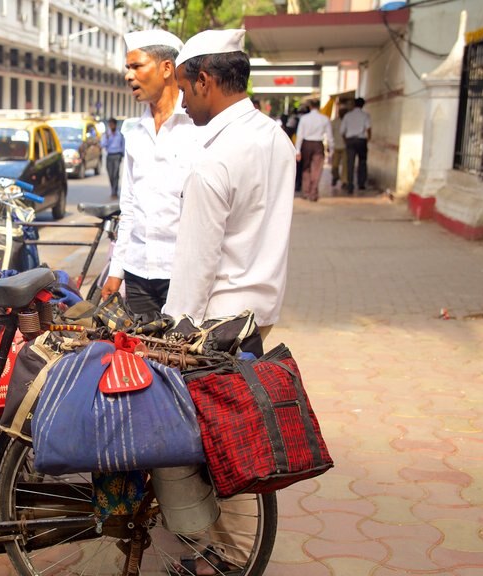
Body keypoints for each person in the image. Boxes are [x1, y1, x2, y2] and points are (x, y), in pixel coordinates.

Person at [165, 29, 296, 573]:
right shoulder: (275, 138)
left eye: (184, 89)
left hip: (212, 327)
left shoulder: (214, 159)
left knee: (220, 455)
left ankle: (229, 559)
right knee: (239, 445)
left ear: (205, 80)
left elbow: (197, 263)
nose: (182, 102)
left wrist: (172, 334)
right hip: (254, 322)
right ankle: (223, 555)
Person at [99, 29, 201, 319]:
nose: (128, 76)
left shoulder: (197, 126)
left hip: (182, 274)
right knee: (143, 359)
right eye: (127, 68)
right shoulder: (134, 132)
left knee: (184, 360)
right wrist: (116, 271)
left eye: (136, 66)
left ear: (166, 68)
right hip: (138, 273)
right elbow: (128, 208)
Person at [294, 98, 332, 202]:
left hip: (306, 144)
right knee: (317, 169)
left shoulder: (304, 119)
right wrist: (331, 149)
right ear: (319, 106)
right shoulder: (324, 119)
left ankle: (305, 191)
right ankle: (313, 192)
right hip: (318, 144)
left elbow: (300, 134)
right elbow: (329, 136)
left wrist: (297, 150)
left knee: (306, 168)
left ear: (310, 106)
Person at [341, 97, 371, 193]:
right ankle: (361, 183)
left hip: (350, 140)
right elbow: (368, 128)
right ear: (363, 105)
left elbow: (342, 131)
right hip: (361, 140)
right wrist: (368, 139)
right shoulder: (365, 115)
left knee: (350, 163)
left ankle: (350, 185)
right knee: (362, 162)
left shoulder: (348, 116)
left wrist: (346, 141)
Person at [100, 117, 125, 198]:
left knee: (115, 174)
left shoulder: (120, 134)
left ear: (115, 125)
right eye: (110, 124)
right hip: (109, 155)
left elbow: (123, 145)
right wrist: (106, 138)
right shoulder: (106, 134)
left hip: (117, 155)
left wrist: (122, 155)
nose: (111, 126)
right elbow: (103, 145)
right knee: (110, 174)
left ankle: (115, 192)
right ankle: (112, 189)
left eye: (112, 124)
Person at [330, 106, 347, 190]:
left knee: (345, 165)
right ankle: (335, 176)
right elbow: (330, 134)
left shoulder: (348, 121)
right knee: (334, 165)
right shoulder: (334, 122)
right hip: (336, 146)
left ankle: (344, 181)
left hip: (345, 147)